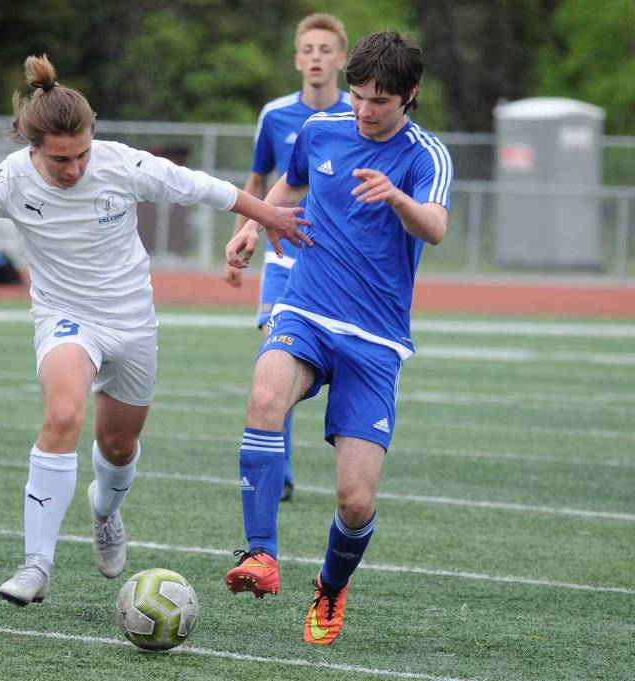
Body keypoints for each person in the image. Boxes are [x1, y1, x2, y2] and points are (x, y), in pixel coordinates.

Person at [0, 54, 309, 607]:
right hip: (66, 317)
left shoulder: (123, 165)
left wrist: (268, 215)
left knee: (118, 447)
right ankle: (35, 565)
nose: (73, 168)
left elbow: (202, 188)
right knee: (64, 412)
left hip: (133, 321)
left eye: (82, 155)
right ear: (32, 148)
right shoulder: (9, 179)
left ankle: (106, 509)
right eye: (59, 159)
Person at [223, 31, 452, 645]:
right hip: (308, 308)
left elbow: (434, 227)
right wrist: (254, 223)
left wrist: (397, 196)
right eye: (357, 97)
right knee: (265, 396)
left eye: (379, 100)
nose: (364, 110)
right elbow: (291, 184)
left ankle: (330, 583)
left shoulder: (425, 154)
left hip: (375, 341)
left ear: (410, 95)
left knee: (354, 502)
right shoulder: (320, 129)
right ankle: (260, 555)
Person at [225, 13, 351, 503]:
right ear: (298, 59)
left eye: (326, 50)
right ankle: (279, 467)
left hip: (333, 261)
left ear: (341, 60)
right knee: (277, 355)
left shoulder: (357, 116)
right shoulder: (275, 115)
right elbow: (258, 182)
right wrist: (243, 238)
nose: (317, 58)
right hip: (282, 257)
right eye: (309, 50)